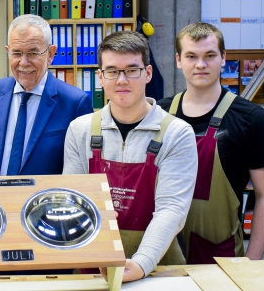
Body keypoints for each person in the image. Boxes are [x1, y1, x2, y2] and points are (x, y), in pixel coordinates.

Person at [63, 31, 197, 282]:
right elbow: (71, 202)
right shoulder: (79, 130)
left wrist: (142, 263)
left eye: (131, 70)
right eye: (112, 71)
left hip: (156, 270)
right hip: (93, 269)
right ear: (100, 77)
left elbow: (171, 210)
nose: (122, 80)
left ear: (147, 73)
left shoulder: (176, 134)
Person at [157, 22, 264, 263]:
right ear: (179, 60)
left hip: (221, 256)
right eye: (191, 56)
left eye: (209, 56)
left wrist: (252, 262)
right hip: (161, 253)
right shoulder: (159, 114)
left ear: (223, 58)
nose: (200, 65)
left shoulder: (251, 119)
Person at [0, 14, 93, 177]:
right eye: (16, 53)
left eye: (33, 53)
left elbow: (83, 172)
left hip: (45, 201)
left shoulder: (75, 103)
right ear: (8, 52)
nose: (23, 62)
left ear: (51, 54)